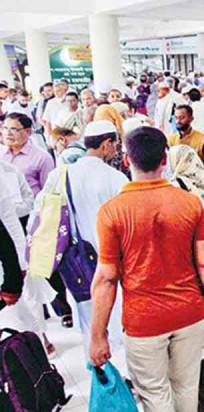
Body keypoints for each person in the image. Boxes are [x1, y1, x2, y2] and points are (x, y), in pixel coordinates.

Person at [89, 126, 204, 412]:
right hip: (191, 313)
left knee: (154, 392)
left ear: (127, 160)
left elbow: (106, 278)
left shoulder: (111, 212)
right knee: (186, 384)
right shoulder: (190, 203)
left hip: (144, 321)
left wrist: (98, 335)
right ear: (165, 159)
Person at [37, 120, 129, 367]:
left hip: (76, 262)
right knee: (117, 315)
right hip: (112, 261)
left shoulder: (60, 175)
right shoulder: (115, 178)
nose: (116, 150)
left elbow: (40, 212)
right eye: (115, 144)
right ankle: (124, 373)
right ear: (106, 144)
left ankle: (99, 369)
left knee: (89, 316)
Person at [0, 113, 54, 196]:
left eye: (14, 129)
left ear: (28, 131)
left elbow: (49, 192)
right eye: (5, 128)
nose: (8, 133)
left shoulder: (42, 158)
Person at [167, 105, 204, 174]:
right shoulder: (171, 140)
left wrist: (194, 172)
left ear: (191, 119)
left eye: (182, 118)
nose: (178, 121)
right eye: (176, 118)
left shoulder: (202, 139)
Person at [42, 79, 70, 144]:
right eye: (55, 91)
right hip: (55, 134)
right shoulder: (50, 103)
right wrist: (48, 138)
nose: (56, 93)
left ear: (65, 90)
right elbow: (48, 122)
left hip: (68, 133)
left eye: (58, 91)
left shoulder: (70, 101)